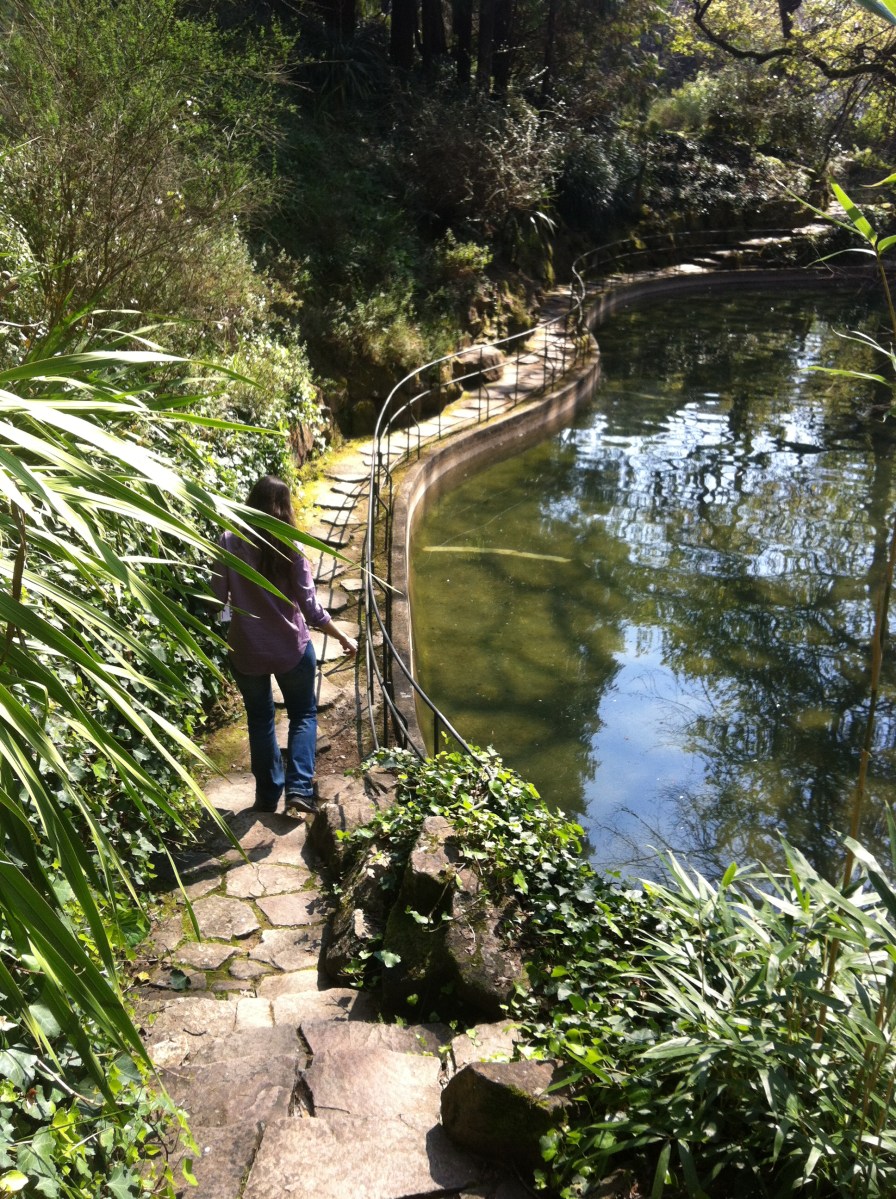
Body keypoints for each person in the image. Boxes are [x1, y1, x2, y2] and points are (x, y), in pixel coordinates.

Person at [210, 475, 357, 815]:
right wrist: (342, 636)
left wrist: (230, 615)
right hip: (291, 649)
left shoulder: (228, 542)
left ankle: (267, 796)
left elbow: (217, 599)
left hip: (246, 649)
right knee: (303, 714)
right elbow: (311, 609)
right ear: (286, 508)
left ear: (250, 503)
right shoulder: (292, 547)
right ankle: (299, 790)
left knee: (260, 719)